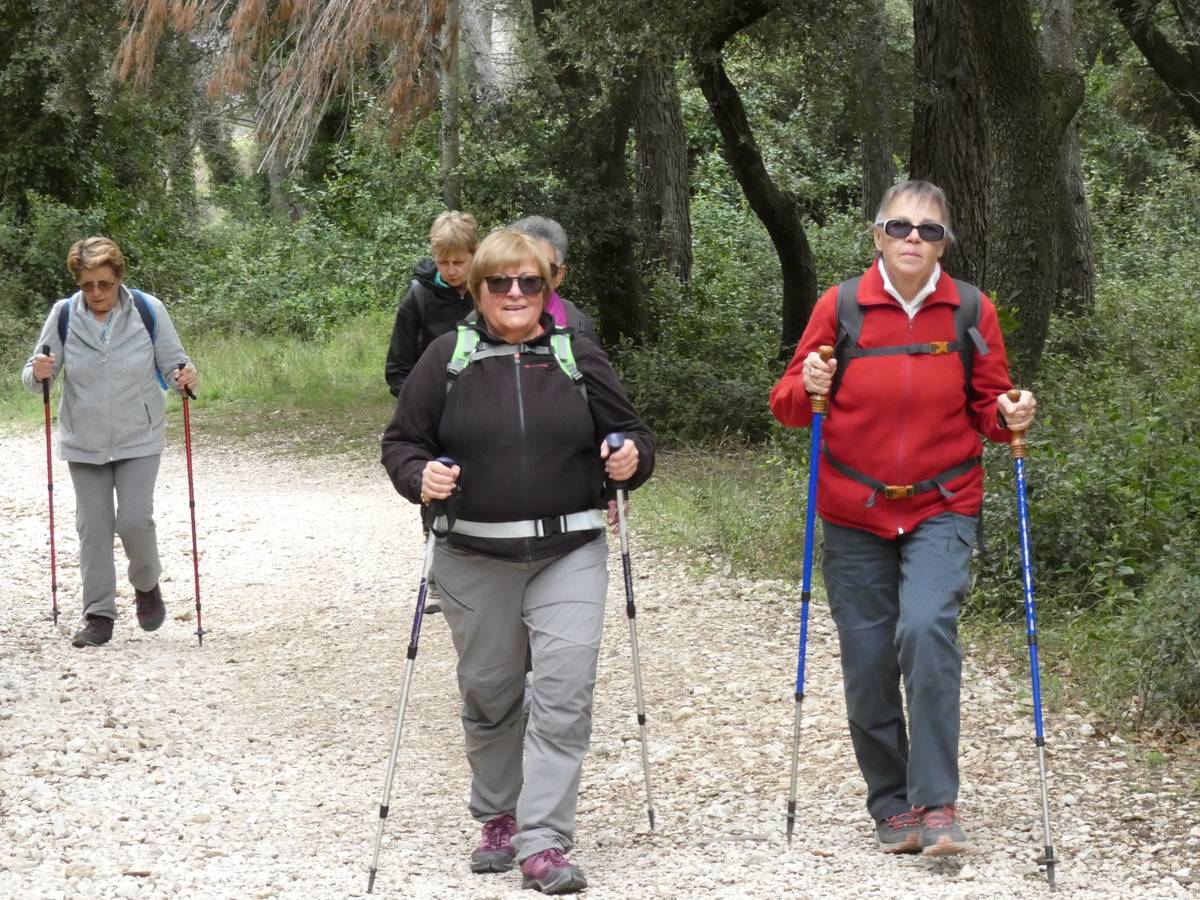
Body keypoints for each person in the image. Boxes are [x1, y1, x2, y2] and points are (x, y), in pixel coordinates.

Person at [381, 229, 653, 894]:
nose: (514, 294)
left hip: (570, 550)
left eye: (529, 282)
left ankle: (543, 841)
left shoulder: (575, 356)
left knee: (564, 693)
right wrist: (422, 476)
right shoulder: (447, 358)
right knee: (491, 691)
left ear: (547, 289)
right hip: (473, 554)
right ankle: (498, 814)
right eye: (500, 282)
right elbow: (401, 444)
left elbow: (635, 437)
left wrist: (628, 458)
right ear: (477, 291)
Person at [769, 180, 1036, 857]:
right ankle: (891, 806)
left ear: (946, 241)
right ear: (877, 234)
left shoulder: (971, 309)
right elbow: (788, 403)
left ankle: (935, 802)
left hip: (942, 503)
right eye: (900, 227)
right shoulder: (842, 307)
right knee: (865, 662)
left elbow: (989, 406)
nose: (914, 239)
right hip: (854, 509)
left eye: (929, 231)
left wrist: (1009, 416)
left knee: (925, 629)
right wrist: (810, 386)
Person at [21, 236, 198, 648]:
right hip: (84, 440)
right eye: (87, 285)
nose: (96, 293)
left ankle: (147, 584)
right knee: (93, 527)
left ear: (118, 277)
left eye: (104, 283)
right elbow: (33, 379)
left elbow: (176, 364)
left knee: (135, 520)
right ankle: (98, 615)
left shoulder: (148, 310)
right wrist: (39, 371)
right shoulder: (63, 314)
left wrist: (185, 378)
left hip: (140, 435)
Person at [384, 210, 478, 398]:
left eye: (458, 262)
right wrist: (416, 403)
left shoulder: (489, 291)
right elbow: (397, 369)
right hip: (428, 400)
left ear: (474, 254)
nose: (451, 270)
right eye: (443, 262)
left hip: (478, 399)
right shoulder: (418, 296)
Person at [509, 216, 598, 344]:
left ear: (560, 275)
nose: (531, 277)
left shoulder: (578, 328)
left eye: (544, 269)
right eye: (517, 267)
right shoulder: (478, 324)